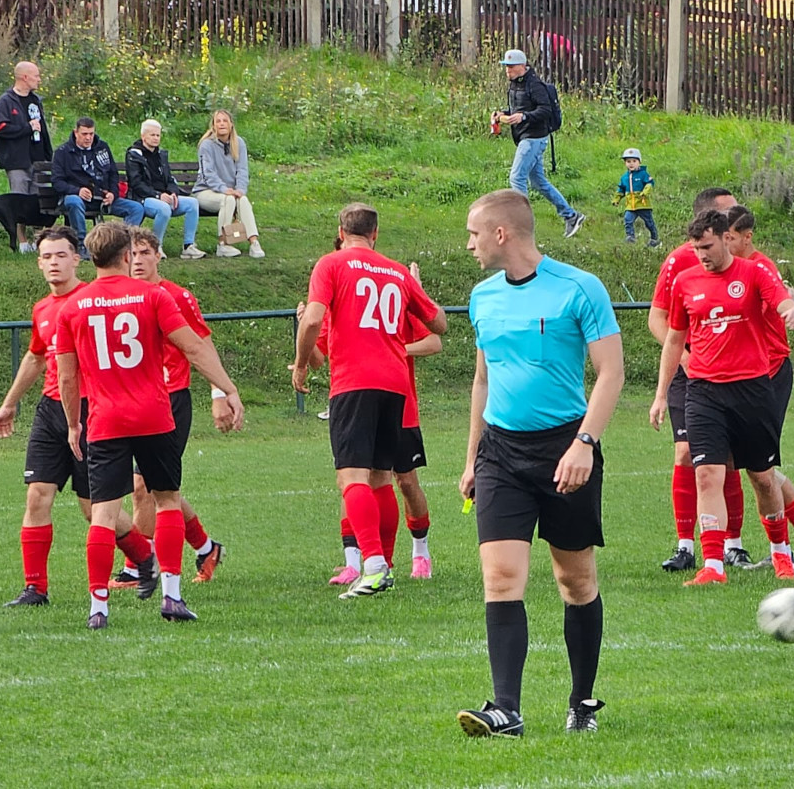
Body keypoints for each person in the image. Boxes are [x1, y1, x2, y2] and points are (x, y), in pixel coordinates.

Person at [456, 189, 624, 739]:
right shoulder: (482, 297)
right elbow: (482, 380)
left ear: (501, 234)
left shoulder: (580, 288)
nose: (470, 244)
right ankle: (506, 708)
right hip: (501, 453)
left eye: (474, 233)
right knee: (501, 577)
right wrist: (473, 456)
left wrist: (585, 443)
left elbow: (610, 372)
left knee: (573, 581)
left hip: (565, 449)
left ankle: (582, 702)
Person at [56, 222, 244, 629]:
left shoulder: (72, 307)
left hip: (104, 420)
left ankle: (97, 607)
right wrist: (227, 388)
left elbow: (67, 377)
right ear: (126, 255)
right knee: (167, 501)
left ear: (90, 257)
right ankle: (172, 596)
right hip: (155, 414)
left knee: (104, 514)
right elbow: (193, 346)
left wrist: (73, 424)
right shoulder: (153, 296)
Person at [0, 225, 158, 607]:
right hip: (51, 410)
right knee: (37, 497)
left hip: (92, 410)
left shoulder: (91, 300)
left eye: (61, 255)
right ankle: (35, 588)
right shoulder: (42, 309)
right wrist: (10, 402)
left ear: (77, 259)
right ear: (38, 263)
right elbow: (36, 356)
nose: (53, 263)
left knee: (93, 510)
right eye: (46, 256)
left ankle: (144, 558)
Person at [292, 203, 447, 600]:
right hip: (395, 385)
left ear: (341, 231)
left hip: (354, 383)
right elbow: (440, 324)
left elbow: (312, 320)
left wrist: (299, 367)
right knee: (381, 477)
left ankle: (374, 565)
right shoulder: (395, 270)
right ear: (375, 234)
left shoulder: (331, 264)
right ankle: (387, 565)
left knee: (350, 477)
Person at [649, 209, 794, 586]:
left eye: (707, 246)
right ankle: (713, 565)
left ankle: (781, 554)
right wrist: (659, 396)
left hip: (751, 389)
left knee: (763, 479)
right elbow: (673, 340)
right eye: (695, 248)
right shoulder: (685, 282)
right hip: (703, 392)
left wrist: (792, 309)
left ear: (724, 238)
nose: (701, 254)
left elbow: (780, 298)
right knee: (706, 474)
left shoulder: (753, 272)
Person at [111, 228, 227, 588]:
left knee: (144, 485)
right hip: (132, 401)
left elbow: (201, 346)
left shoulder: (177, 296)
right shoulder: (119, 297)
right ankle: (206, 547)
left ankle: (140, 566)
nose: (139, 260)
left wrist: (219, 393)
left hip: (171, 399)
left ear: (159, 256)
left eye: (146, 252)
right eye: (133, 253)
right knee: (163, 489)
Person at [647, 188, 751, 573]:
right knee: (686, 453)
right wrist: (687, 358)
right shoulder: (678, 263)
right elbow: (658, 320)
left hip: (738, 375)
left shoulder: (745, 262)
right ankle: (686, 546)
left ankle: (733, 546)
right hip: (691, 374)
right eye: (730, 212)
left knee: (730, 458)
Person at [724, 205, 794, 570]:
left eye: (731, 238)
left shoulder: (760, 267)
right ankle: (791, 543)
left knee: (760, 470)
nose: (724, 245)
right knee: (749, 468)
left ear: (747, 237)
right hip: (745, 378)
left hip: (768, 374)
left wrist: (790, 306)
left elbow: (778, 299)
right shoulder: (731, 271)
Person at [493, 49, 585, 240]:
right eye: (506, 66)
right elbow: (516, 108)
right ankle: (571, 216)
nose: (507, 70)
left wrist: (524, 116)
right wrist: (501, 114)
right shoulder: (515, 85)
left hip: (534, 137)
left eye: (510, 67)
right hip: (525, 136)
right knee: (538, 182)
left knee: (517, 178)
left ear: (521, 66)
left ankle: (521, 227)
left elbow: (545, 110)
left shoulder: (535, 84)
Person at [50, 117, 144, 258]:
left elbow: (113, 174)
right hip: (78, 198)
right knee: (73, 201)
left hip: (103, 198)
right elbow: (57, 182)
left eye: (91, 134)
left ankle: (122, 245)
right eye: (84, 134)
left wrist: (113, 193)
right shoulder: (63, 152)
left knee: (136, 208)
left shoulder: (102, 148)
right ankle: (82, 244)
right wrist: (77, 191)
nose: (88, 138)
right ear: (75, 133)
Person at [0, 61, 54, 252]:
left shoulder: (36, 101)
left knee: (39, 201)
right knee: (19, 201)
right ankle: (22, 242)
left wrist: (48, 155)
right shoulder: (6, 101)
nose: (39, 79)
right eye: (36, 75)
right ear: (24, 77)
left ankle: (39, 240)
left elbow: (42, 129)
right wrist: (26, 128)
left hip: (39, 159)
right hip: (17, 160)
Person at [124, 119, 206, 260]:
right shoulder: (134, 155)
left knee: (192, 203)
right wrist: (158, 195)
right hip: (144, 198)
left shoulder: (161, 155)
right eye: (152, 135)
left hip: (165, 196)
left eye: (158, 135)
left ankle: (188, 246)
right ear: (143, 136)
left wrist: (173, 192)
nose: (156, 138)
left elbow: (170, 179)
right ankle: (156, 247)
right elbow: (136, 183)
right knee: (164, 208)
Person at [193, 109, 265, 259]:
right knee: (228, 199)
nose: (221, 124)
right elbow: (208, 174)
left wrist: (240, 190)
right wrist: (224, 189)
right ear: (213, 125)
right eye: (218, 121)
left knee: (242, 200)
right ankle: (223, 244)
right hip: (206, 192)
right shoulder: (206, 145)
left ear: (231, 124)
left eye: (225, 121)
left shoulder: (239, 143)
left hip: (231, 192)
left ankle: (254, 242)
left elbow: (242, 170)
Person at [612, 147, 660, 247]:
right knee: (627, 219)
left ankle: (654, 238)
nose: (631, 163)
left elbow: (650, 183)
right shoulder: (624, 177)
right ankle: (630, 237)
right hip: (631, 205)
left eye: (634, 161)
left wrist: (645, 192)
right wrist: (617, 199)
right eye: (628, 161)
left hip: (643, 205)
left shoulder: (643, 174)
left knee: (649, 222)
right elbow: (621, 189)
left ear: (639, 162)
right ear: (625, 163)